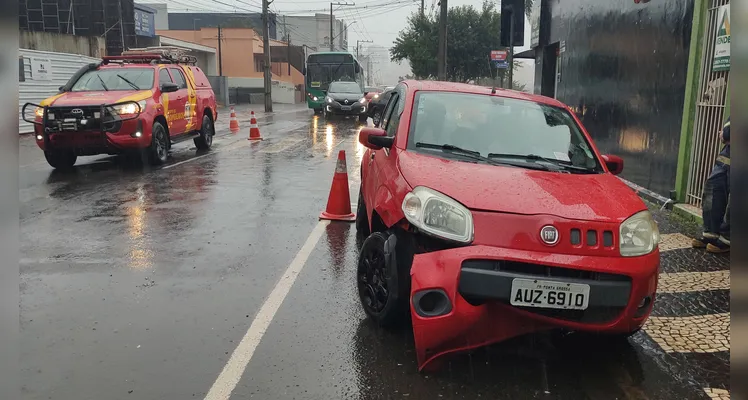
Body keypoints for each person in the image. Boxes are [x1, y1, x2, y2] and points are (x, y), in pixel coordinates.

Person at [692, 117, 730, 253]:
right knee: (712, 191)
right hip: (726, 158)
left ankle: (727, 238)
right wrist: (726, 134)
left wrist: (726, 134)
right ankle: (711, 233)